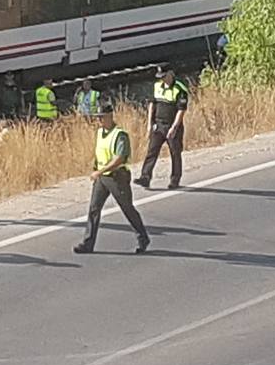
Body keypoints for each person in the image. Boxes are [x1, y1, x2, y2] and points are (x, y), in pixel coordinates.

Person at [75, 104, 150, 255]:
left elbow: (119, 159)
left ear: (110, 116)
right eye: (97, 117)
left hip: (117, 177)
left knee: (127, 208)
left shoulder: (120, 135)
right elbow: (100, 153)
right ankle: (88, 243)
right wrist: (96, 168)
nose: (99, 120)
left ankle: (143, 237)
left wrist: (100, 171)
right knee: (94, 209)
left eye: (101, 117)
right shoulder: (100, 132)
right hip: (102, 177)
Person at [136, 67, 190, 190]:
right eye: (160, 77)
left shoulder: (180, 89)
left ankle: (175, 179)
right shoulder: (157, 86)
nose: (162, 79)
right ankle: (145, 177)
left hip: (172, 125)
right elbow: (152, 104)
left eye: (164, 76)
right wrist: (149, 124)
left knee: (175, 153)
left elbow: (181, 110)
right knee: (152, 151)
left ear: (171, 74)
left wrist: (174, 128)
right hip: (158, 125)